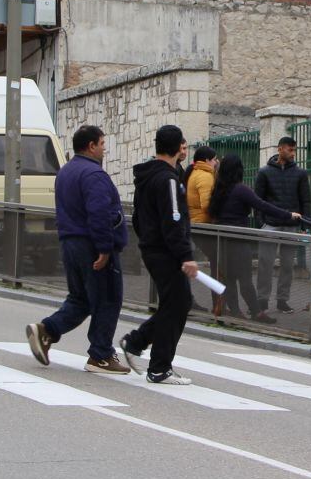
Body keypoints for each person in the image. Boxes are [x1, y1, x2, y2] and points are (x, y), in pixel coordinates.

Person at [25, 125, 130, 374]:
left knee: (81, 299)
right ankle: (101, 355)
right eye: (102, 143)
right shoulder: (94, 175)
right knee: (108, 298)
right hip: (92, 244)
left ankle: (47, 330)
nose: (105, 149)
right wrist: (105, 249)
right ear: (91, 146)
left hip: (69, 241)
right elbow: (99, 213)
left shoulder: (66, 171)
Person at [118, 125, 198, 385]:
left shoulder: (147, 176)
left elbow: (139, 217)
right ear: (177, 148)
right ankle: (159, 366)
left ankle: (137, 342)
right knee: (178, 304)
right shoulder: (169, 180)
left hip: (152, 248)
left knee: (175, 304)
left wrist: (148, 241)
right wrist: (185, 255)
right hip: (167, 252)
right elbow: (174, 220)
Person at [208, 154, 300, 321]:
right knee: (245, 279)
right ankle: (256, 312)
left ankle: (235, 311)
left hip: (221, 241)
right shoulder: (240, 189)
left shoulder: (218, 190)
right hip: (238, 241)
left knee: (228, 279)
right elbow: (262, 205)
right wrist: (288, 215)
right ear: (238, 170)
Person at [254, 136, 311, 314]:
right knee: (265, 264)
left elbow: (306, 200)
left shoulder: (300, 173)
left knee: (287, 265)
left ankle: (282, 300)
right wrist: (261, 224)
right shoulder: (264, 172)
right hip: (270, 224)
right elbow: (258, 200)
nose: (293, 153)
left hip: (291, 224)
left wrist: (305, 222)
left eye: (294, 150)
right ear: (280, 149)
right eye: (290, 150)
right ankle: (262, 300)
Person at [186, 146, 219, 311]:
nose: (216, 162)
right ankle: (218, 304)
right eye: (214, 159)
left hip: (195, 222)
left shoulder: (194, 173)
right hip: (203, 224)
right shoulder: (205, 177)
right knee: (217, 261)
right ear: (206, 160)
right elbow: (207, 204)